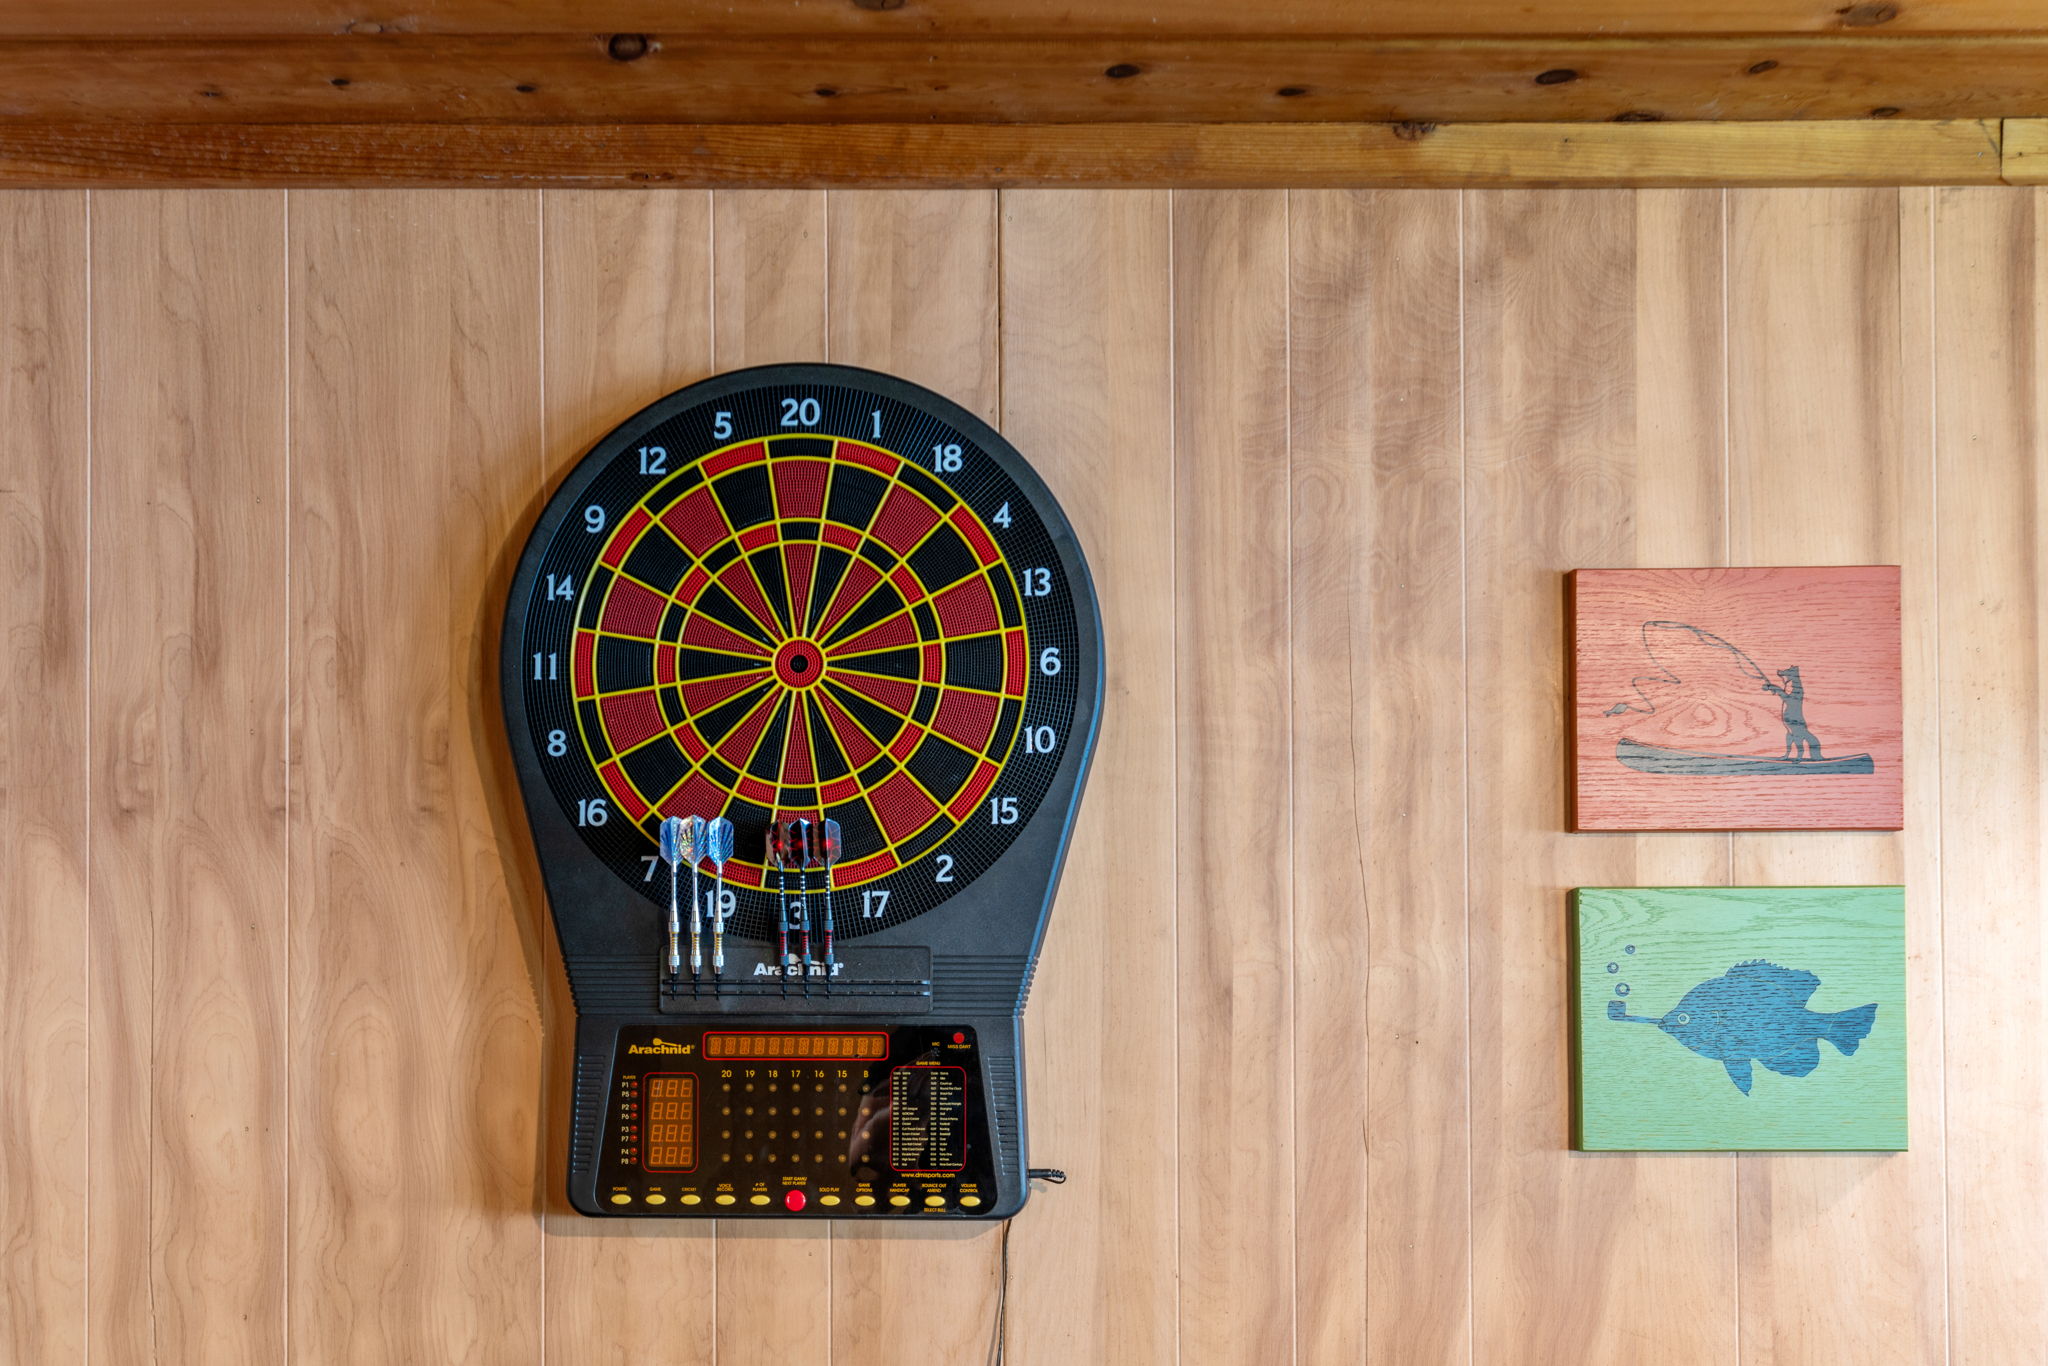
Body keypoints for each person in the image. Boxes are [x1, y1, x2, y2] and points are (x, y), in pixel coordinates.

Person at [1761, 666, 1823, 760]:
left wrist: (1773, 687)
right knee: (1790, 737)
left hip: (1796, 721)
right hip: (1790, 721)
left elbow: (1788, 700)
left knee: (1798, 737)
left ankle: (1799, 757)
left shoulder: (1798, 691)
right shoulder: (1794, 689)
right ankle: (1787, 755)